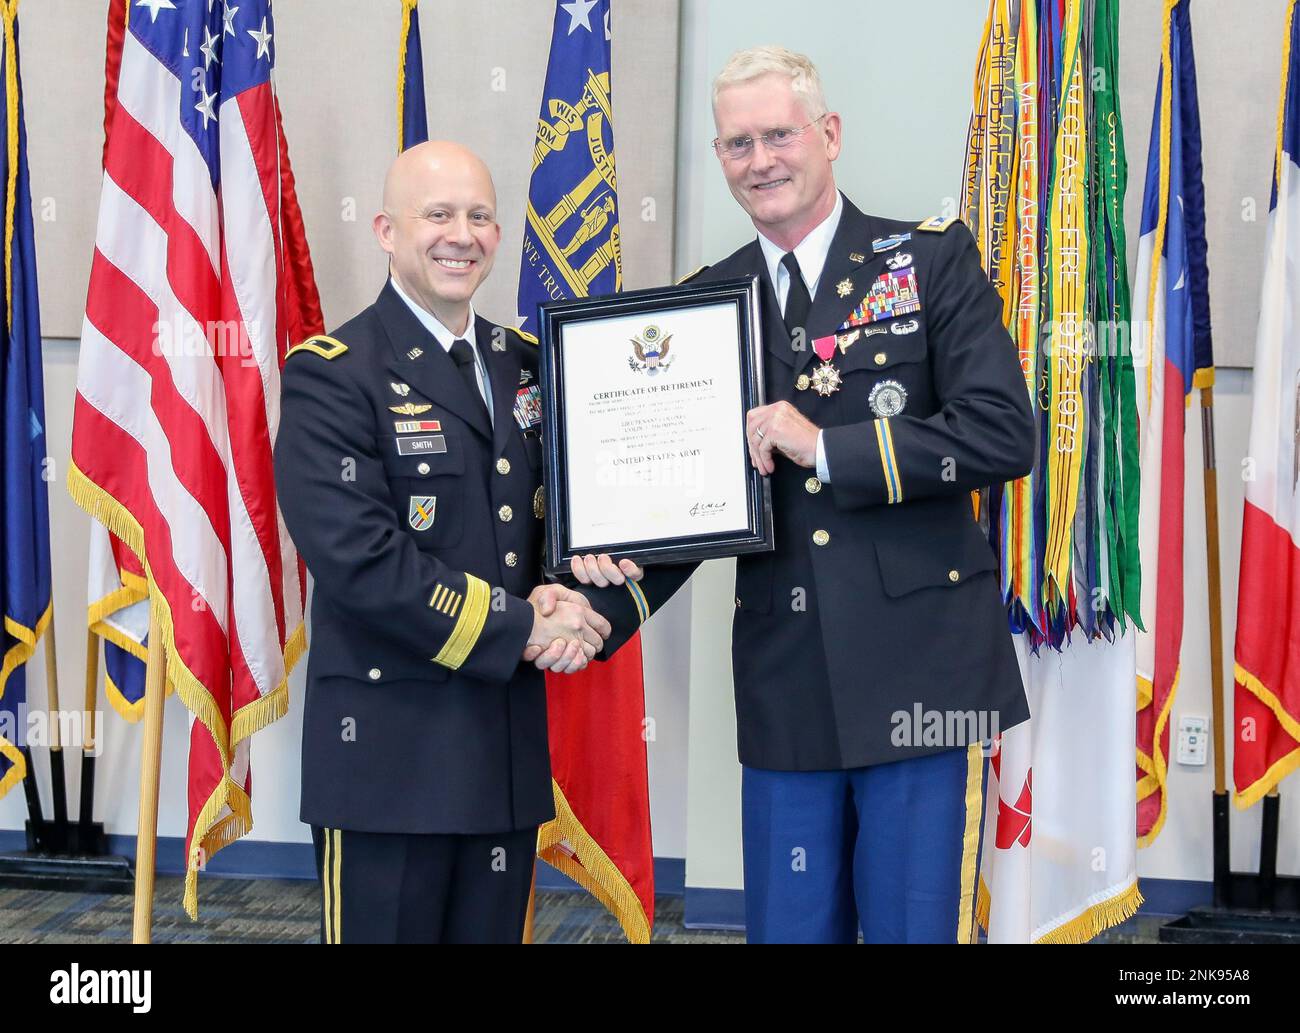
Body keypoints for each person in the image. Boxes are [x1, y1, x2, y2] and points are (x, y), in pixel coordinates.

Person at [571, 46, 1036, 943]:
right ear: (719, 159)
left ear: (828, 134)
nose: (762, 160)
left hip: (924, 671)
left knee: (911, 928)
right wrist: (594, 598)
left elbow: (1001, 432)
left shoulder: (930, 262)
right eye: (738, 143)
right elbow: (688, 505)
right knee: (790, 928)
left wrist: (825, 446)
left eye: (779, 134)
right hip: (788, 676)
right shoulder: (707, 305)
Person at [273, 141, 614, 944]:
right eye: (438, 214)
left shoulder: (526, 366)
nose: (461, 234)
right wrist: (524, 624)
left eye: (479, 216)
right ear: (387, 230)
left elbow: (561, 521)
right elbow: (364, 564)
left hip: (499, 759)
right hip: (388, 769)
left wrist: (572, 591)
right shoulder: (334, 373)